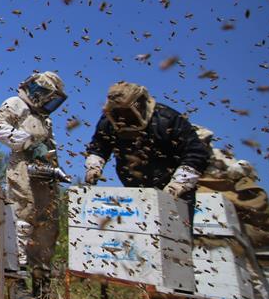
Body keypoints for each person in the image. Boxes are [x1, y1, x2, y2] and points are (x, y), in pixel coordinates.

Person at [0, 71, 69, 299]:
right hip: (22, 169)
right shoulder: (15, 103)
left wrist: (52, 163)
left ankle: (42, 285)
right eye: (46, 95)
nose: (47, 101)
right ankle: (17, 283)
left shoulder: (45, 118)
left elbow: (49, 145)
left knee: (47, 226)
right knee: (23, 220)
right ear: (37, 90)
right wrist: (28, 143)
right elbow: (0, 130)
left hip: (44, 175)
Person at [83, 82, 210, 212]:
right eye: (118, 112)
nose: (123, 117)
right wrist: (94, 167)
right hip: (134, 191)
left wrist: (179, 184)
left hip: (175, 192)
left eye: (127, 112)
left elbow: (196, 153)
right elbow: (99, 147)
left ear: (141, 105)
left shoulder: (168, 119)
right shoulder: (108, 122)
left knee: (174, 230)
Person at [193, 126, 269, 299]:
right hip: (193, 225)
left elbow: (240, 170)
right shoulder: (181, 160)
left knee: (247, 267)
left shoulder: (218, 157)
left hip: (228, 224)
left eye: (204, 142)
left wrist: (239, 168)